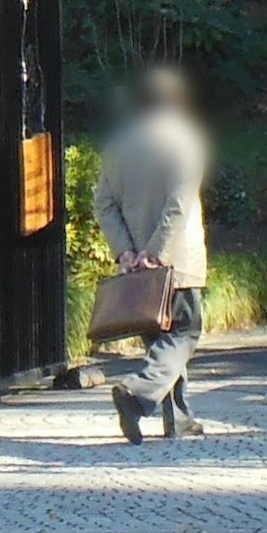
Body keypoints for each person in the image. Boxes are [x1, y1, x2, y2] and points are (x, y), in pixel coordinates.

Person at [90, 61, 212, 441]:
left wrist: (126, 251)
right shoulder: (185, 141)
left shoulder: (118, 145)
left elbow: (103, 203)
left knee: (160, 342)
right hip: (176, 260)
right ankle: (137, 393)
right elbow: (179, 204)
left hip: (137, 269)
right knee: (185, 332)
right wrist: (158, 252)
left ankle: (178, 417)